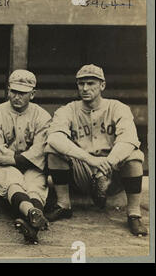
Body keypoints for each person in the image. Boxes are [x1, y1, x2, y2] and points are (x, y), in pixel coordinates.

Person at [45, 64, 147, 237]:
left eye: (91, 83)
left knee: (134, 156)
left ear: (102, 85)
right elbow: (54, 137)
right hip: (83, 169)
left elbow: (129, 139)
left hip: (112, 171)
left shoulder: (118, 107)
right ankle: (63, 205)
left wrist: (108, 162)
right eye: (81, 84)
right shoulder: (68, 109)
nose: (85, 88)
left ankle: (134, 214)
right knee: (52, 150)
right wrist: (90, 160)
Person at [0, 69, 51, 244]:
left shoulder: (42, 116)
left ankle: (31, 221)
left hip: (31, 165)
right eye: (13, 91)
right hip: (2, 166)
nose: (17, 96)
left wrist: (11, 158)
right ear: (8, 90)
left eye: (23, 93)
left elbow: (39, 151)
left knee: (35, 185)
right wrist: (16, 159)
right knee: (12, 180)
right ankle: (32, 214)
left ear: (33, 94)